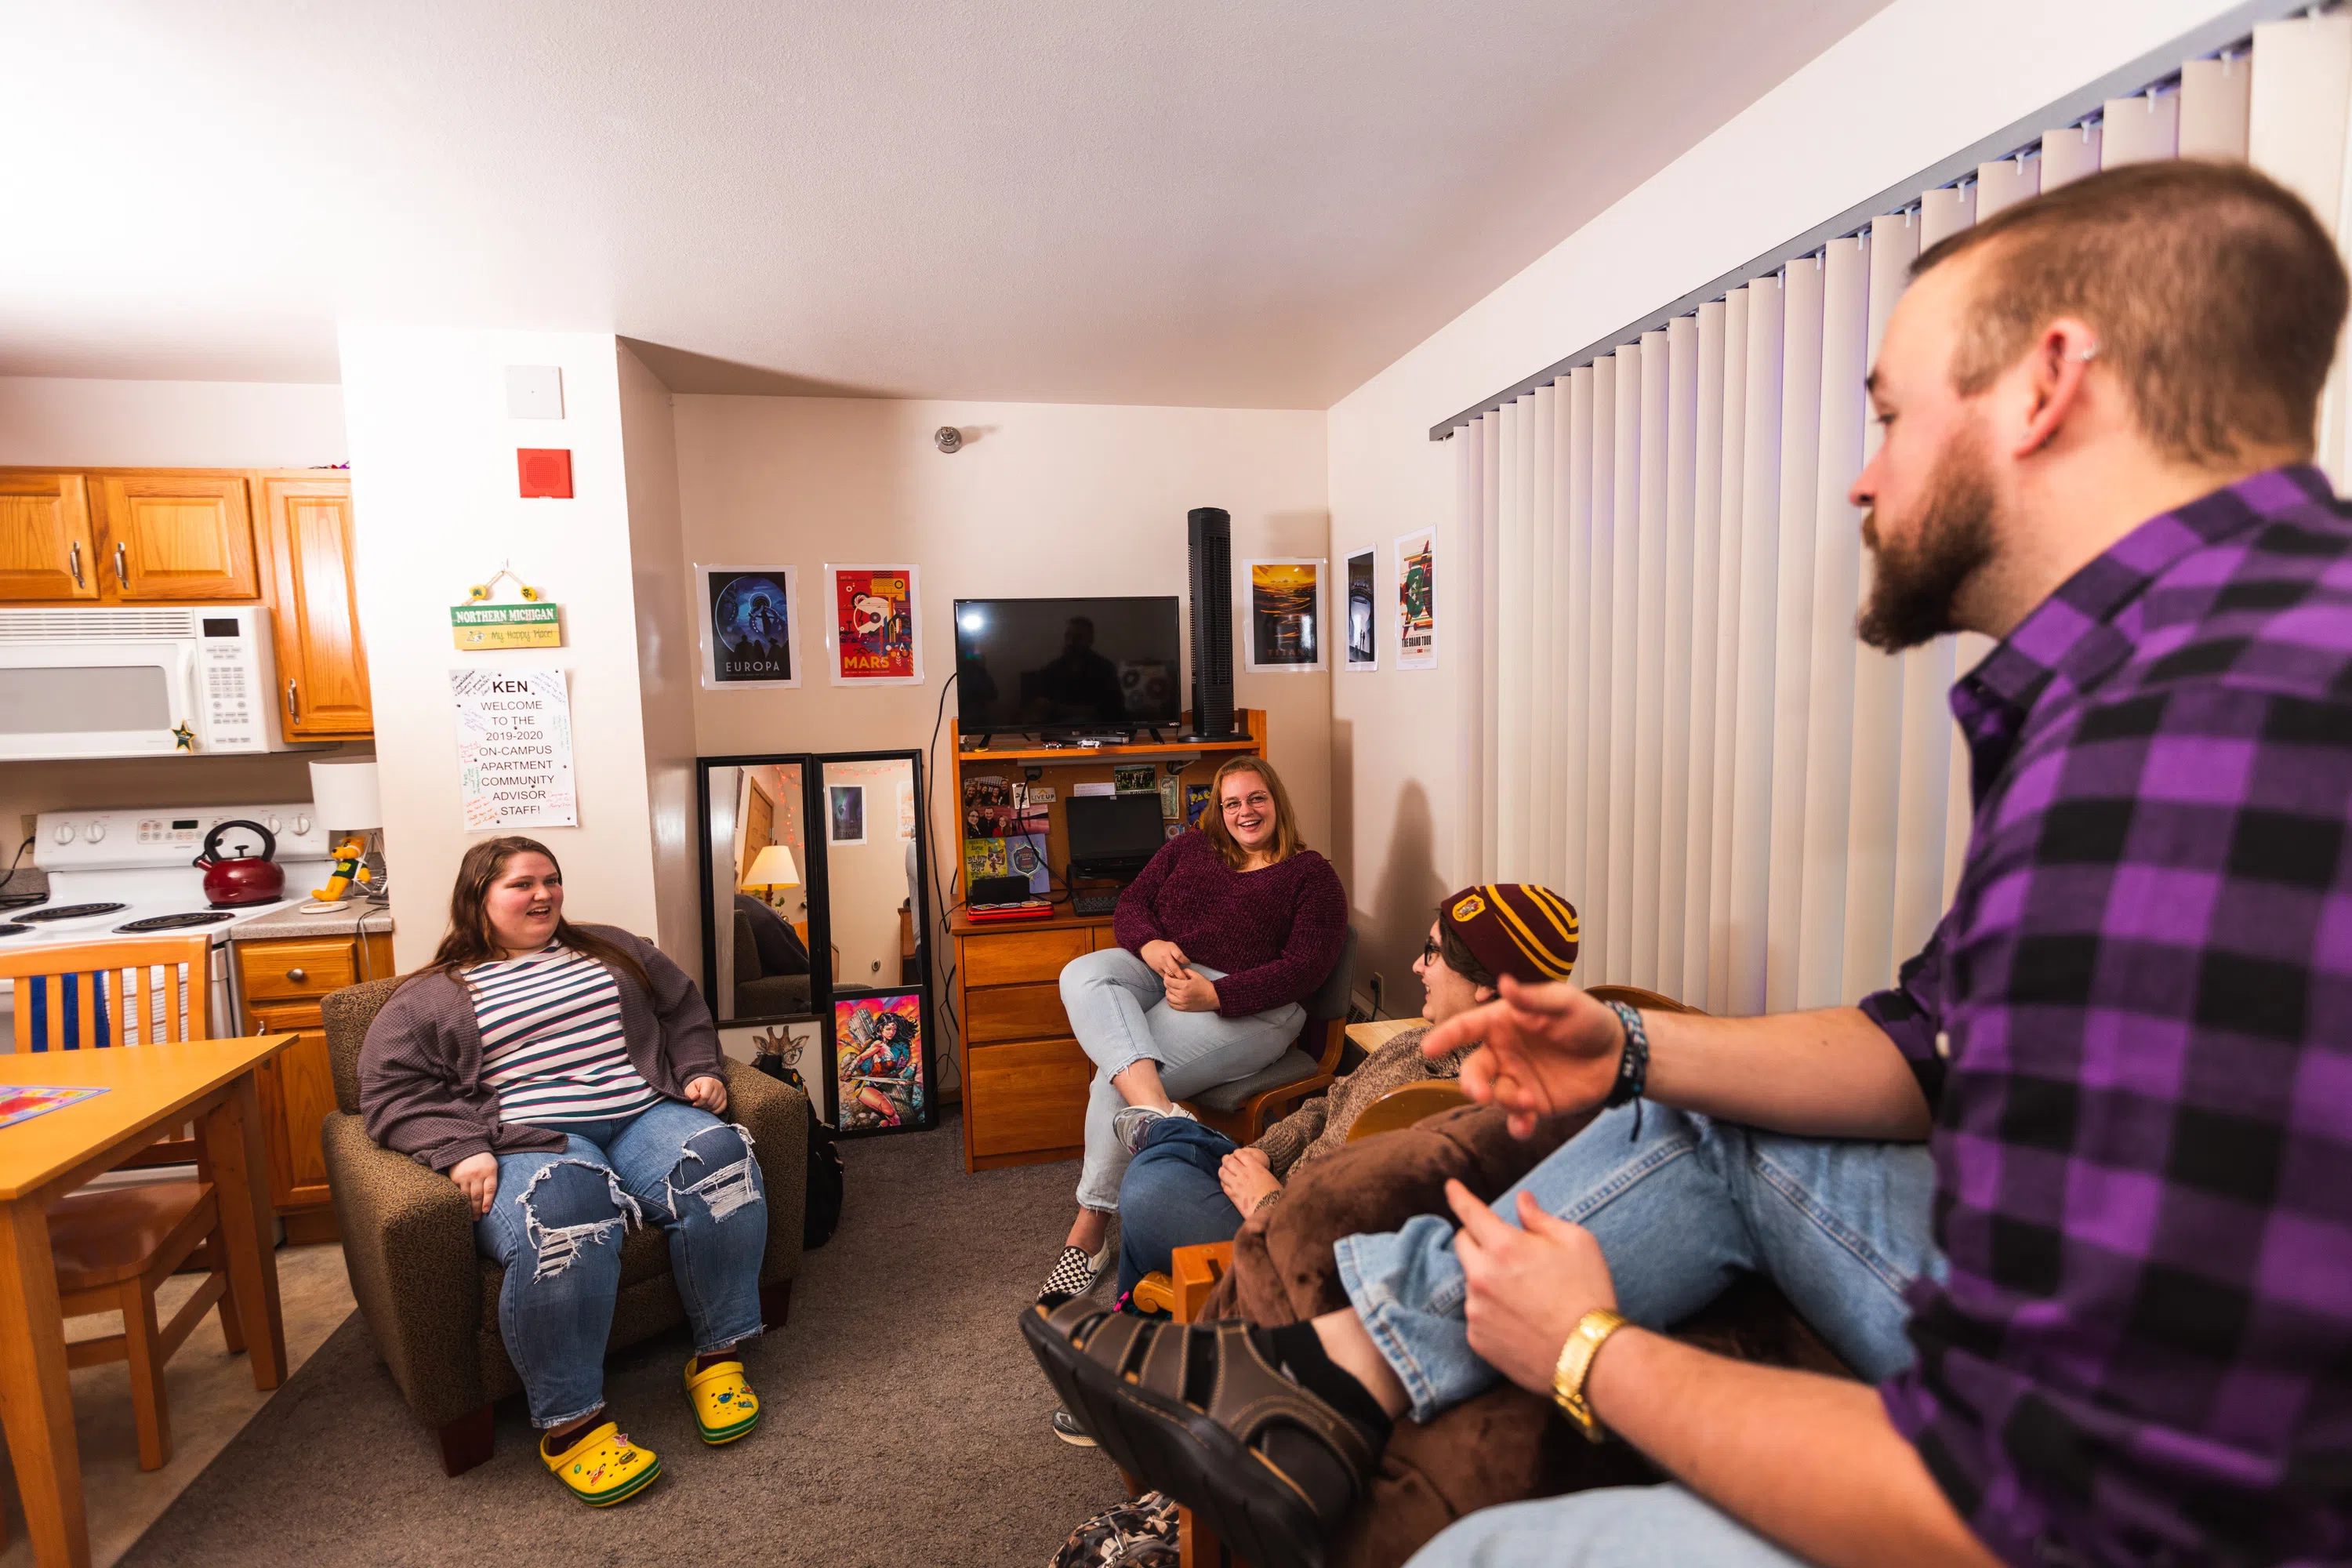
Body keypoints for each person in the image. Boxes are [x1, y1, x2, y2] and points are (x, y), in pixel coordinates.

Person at [1027, 159, 2352, 1568]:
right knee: (1704, 1113)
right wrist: (1633, 1044)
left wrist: (1590, 1352)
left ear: (2049, 381)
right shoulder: (2142, 679)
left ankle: (1298, 1365)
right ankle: (1323, 1379)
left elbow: (2061, 1497)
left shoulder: (2223, 726)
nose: (1862, 472)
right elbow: (1928, 1041)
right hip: (2077, 1338)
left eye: (1891, 415)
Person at [1052, 882, 1577, 1455]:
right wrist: (1265, 1153)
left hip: (1287, 1243)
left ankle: (1167, 1141)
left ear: (1484, 987)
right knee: (1158, 1165)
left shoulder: (1461, 1109)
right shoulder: (1417, 1043)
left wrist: (1266, 1202)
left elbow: (1365, 1247)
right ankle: (1139, 1369)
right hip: (1273, 1183)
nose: (1415, 966)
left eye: (1432, 954)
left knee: (1151, 1185)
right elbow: (1329, 1102)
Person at [361, 836, 768, 1507]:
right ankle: (571, 1425)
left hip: (643, 1114)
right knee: (567, 1216)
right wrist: (458, 1146)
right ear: (478, 898)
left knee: (721, 1163)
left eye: (551, 880)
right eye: (521, 884)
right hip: (533, 1139)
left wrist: (699, 1070)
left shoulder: (613, 948)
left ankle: (718, 1360)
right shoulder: (433, 996)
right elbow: (389, 1093)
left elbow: (683, 1007)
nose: (543, 894)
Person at [1040, 755, 1347, 1302]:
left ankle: (1088, 1235)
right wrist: (1150, 945)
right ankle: (1163, 1116)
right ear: (1219, 810)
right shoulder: (1190, 847)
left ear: (1277, 801)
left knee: (1112, 1080)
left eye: (1256, 799)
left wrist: (1219, 994)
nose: (1245, 812)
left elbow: (1307, 968)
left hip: (1254, 1004)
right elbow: (1133, 901)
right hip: (1168, 972)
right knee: (1082, 973)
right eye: (1232, 803)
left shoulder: (1312, 876)